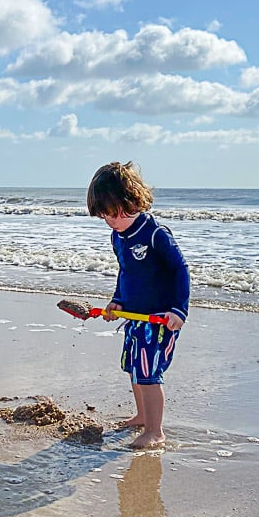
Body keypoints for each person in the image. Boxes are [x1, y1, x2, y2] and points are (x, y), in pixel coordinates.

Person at [87, 161, 189, 449]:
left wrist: (179, 310)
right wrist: (117, 300)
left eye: (115, 213)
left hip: (159, 319)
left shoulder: (155, 234)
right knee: (134, 369)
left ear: (133, 201)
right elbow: (126, 272)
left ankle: (156, 431)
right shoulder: (118, 237)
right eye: (104, 216)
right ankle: (143, 416)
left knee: (148, 373)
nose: (111, 221)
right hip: (134, 317)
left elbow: (180, 270)